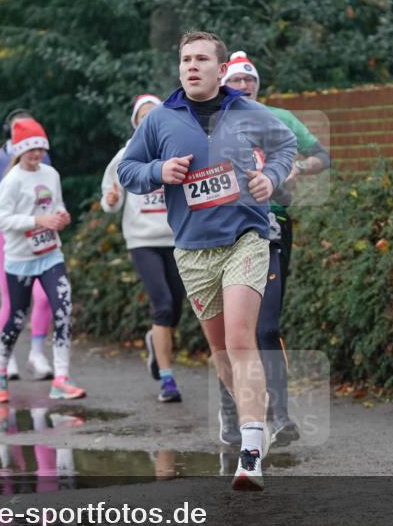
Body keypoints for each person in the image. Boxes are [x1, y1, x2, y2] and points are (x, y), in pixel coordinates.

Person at [117, 31, 297, 490]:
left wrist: (269, 179)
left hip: (246, 238)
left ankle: (252, 449)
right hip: (194, 250)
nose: (192, 66)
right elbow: (127, 169)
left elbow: (285, 148)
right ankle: (251, 422)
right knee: (220, 353)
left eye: (201, 59)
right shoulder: (160, 121)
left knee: (241, 338)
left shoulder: (249, 112)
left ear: (220, 69)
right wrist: (159, 171)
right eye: (185, 59)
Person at [217, 51, 332, 447]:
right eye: (235, 81)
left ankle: (280, 416)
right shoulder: (209, 122)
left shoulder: (279, 119)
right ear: (222, 84)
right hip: (222, 231)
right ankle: (232, 411)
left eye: (249, 81)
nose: (243, 87)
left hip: (272, 226)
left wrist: (297, 168)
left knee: (266, 326)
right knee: (231, 331)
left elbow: (322, 155)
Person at [0, 118, 86, 402]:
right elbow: (0, 219)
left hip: (50, 254)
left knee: (63, 308)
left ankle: (61, 378)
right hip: (20, 258)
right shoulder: (11, 181)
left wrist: (61, 216)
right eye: (31, 150)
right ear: (19, 151)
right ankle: (0, 371)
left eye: (41, 149)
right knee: (17, 318)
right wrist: (37, 220)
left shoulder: (51, 174)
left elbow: (55, 204)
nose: (36, 155)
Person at [101, 94, 185, 403]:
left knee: (175, 306)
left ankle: (155, 340)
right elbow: (111, 195)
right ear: (136, 122)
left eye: (155, 115)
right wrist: (110, 201)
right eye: (143, 116)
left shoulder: (175, 151)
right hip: (142, 240)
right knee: (162, 305)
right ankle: (167, 380)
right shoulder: (126, 154)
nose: (149, 120)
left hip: (176, 239)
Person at [0, 109, 55, 381]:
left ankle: (37, 353)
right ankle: (5, 360)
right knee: (11, 298)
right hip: (6, 235)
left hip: (39, 233)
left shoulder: (42, 156)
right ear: (10, 131)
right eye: (19, 128)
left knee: (43, 297)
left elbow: (50, 194)